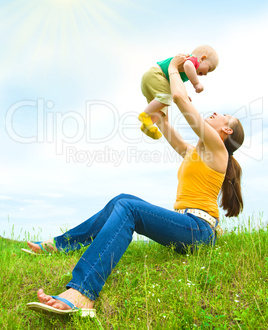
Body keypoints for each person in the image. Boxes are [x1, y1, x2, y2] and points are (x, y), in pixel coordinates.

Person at [26, 54, 244, 318]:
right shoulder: (193, 152)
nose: (217, 113)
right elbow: (162, 119)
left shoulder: (218, 149)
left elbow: (181, 100)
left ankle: (82, 292)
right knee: (123, 198)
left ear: (227, 132)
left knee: (129, 208)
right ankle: (62, 244)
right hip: (185, 224)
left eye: (224, 116)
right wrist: (156, 94)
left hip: (199, 230)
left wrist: (175, 68)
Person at [138, 44, 219, 139]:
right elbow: (188, 65)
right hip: (156, 75)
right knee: (166, 97)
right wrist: (196, 83)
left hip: (154, 80)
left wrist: (183, 94)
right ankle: (144, 115)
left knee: (164, 106)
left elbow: (177, 82)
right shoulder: (193, 60)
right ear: (202, 58)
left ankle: (148, 124)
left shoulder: (187, 68)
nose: (205, 74)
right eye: (208, 69)